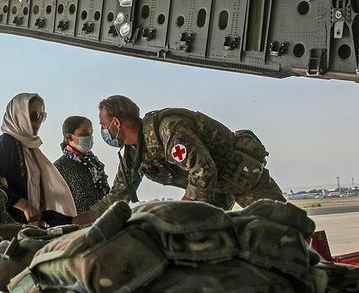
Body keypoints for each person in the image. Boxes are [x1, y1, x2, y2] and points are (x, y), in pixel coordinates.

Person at [73, 96, 286, 225]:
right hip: (212, 193)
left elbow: (203, 171)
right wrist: (73, 221)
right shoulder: (133, 154)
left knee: (288, 228)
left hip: (242, 176)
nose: (102, 131)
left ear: (116, 123)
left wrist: (180, 209)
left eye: (102, 125)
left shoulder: (168, 130)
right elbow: (117, 197)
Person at [0, 93, 77, 224]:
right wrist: (24, 206)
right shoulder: (4, 144)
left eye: (42, 116)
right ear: (19, 115)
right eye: (34, 116)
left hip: (32, 225)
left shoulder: (30, 148)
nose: (38, 122)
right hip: (9, 227)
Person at [54, 116, 110, 213]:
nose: (89, 137)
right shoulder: (59, 167)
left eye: (90, 133)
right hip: (81, 223)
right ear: (69, 137)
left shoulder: (93, 162)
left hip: (104, 217)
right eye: (84, 134)